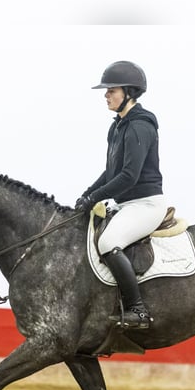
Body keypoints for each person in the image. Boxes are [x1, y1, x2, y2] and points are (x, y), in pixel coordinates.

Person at [75, 60, 166, 330]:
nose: (106, 95)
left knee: (108, 242)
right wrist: (88, 194)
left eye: (111, 90)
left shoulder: (140, 125)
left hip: (146, 204)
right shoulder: (117, 126)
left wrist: (95, 198)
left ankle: (137, 310)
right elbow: (111, 172)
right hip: (126, 204)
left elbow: (129, 176)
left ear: (128, 92)